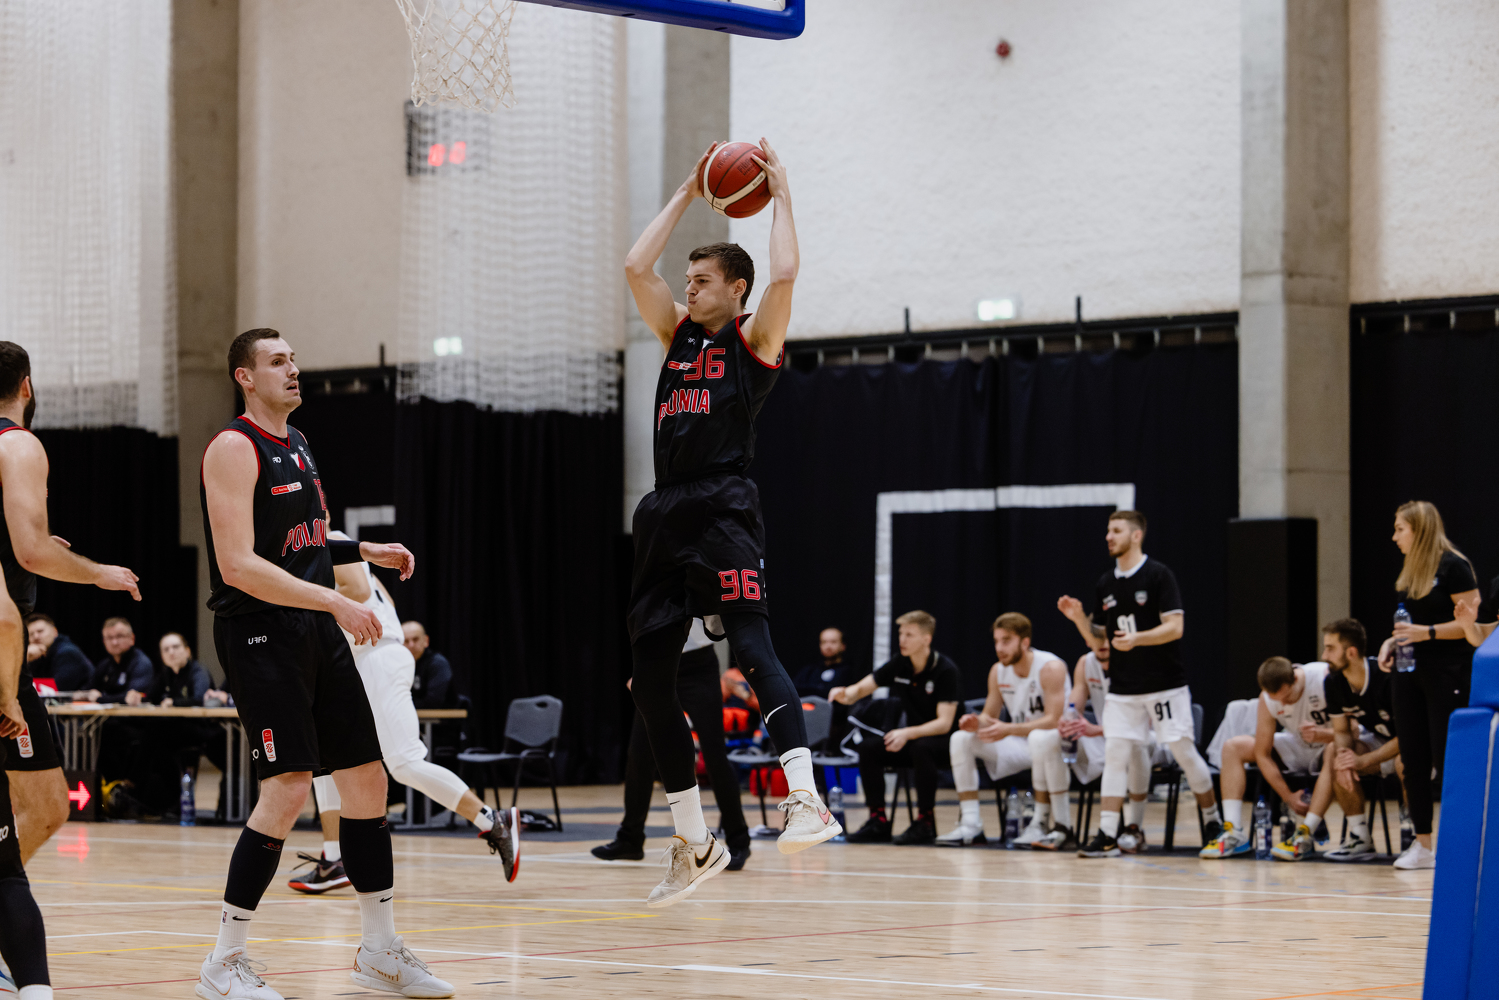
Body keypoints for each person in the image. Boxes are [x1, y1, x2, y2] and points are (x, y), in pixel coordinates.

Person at [197, 329, 468, 999]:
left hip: (314, 627)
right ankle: (223, 962)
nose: (293, 369)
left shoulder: (298, 442)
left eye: (293, 359)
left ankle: (379, 951)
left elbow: (309, 538)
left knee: (367, 780)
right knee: (289, 787)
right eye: (277, 362)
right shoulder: (233, 447)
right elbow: (238, 564)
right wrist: (334, 599)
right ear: (245, 377)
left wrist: (363, 551)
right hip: (259, 632)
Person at [622, 138, 838, 907]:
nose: (688, 288)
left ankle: (804, 797)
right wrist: (687, 190)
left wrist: (782, 196)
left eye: (703, 280)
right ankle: (693, 841)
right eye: (688, 280)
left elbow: (785, 273)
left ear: (734, 289)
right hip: (663, 510)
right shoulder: (676, 334)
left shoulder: (753, 340)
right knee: (648, 678)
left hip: (722, 504)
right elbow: (635, 267)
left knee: (748, 646)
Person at [0, 341, 142, 999]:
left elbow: (20, 547)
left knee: (47, 804)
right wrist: (98, 573)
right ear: (27, 386)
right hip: (1, 653)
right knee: (36, 817)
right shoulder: (19, 444)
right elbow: (29, 552)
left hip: (8, 647)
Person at [294, 534, 520, 897]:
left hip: (376, 657)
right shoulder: (327, 550)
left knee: (404, 763)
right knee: (327, 760)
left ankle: (493, 819)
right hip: (361, 660)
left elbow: (357, 591)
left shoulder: (331, 539)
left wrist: (308, 610)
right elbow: (382, 598)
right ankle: (334, 858)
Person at [1058, 510, 1221, 858]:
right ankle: (1107, 833)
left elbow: (1175, 628)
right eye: (1108, 530)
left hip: (1164, 684)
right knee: (1116, 754)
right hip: (1123, 687)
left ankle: (1213, 822)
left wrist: (1138, 639)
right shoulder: (1106, 583)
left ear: (1136, 535)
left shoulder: (1159, 575)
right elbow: (1098, 639)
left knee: (1183, 752)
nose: (1108, 536)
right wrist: (1078, 619)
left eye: (1116, 530)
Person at [593, 619, 751, 869]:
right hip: (657, 662)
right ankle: (630, 839)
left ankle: (739, 841)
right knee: (639, 755)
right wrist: (641, 669)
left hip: (698, 665)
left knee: (715, 756)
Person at [1375, 500, 1478, 871]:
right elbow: (1407, 626)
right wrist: (1391, 642)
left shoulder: (1454, 566)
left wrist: (1427, 633)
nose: (1394, 537)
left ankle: (1460, 841)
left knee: (1446, 759)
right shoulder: (1410, 571)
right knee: (1411, 760)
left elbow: (1473, 627)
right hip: (1408, 674)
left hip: (1446, 673)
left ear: (1418, 530)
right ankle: (1422, 845)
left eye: (1400, 529)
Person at [935, 612, 1067, 849]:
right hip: (1020, 743)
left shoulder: (1050, 667)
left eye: (1006, 641)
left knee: (1039, 738)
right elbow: (989, 716)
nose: (999, 648)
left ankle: (1039, 822)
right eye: (996, 641)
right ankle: (971, 823)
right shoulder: (998, 670)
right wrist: (976, 722)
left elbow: (1054, 720)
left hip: (1055, 745)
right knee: (961, 739)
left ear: (1024, 642)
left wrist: (1009, 729)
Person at [1273, 620, 1401, 862]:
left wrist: (1362, 760)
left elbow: (1409, 737)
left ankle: (1418, 838)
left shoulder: (1387, 677)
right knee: (1335, 752)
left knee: (1407, 762)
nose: (1324, 656)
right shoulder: (1333, 682)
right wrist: (1345, 757)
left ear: (1350, 652)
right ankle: (1359, 837)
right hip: (1378, 742)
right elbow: (1341, 731)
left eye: (1330, 648)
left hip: (1411, 746)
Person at [831, 610, 960, 845]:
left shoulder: (945, 670)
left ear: (926, 639)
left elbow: (944, 724)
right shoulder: (900, 663)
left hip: (945, 743)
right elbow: (863, 688)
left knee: (922, 747)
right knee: (869, 748)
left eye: (909, 635)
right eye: (901, 634)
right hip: (914, 739)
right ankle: (878, 820)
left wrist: (907, 733)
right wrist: (845, 693)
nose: (902, 640)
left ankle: (925, 822)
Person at [1200, 657, 1332, 858]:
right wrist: (1288, 797)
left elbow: (1353, 731)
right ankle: (1234, 833)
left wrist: (1323, 735)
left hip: (1330, 745)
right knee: (1233, 747)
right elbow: (1262, 754)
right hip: (1298, 744)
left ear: (1295, 680)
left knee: (1335, 749)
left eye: (1287, 697)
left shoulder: (1322, 677)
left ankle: (1306, 833)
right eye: (1277, 699)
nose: (1282, 703)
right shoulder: (1267, 699)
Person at [1056, 642, 1164, 854]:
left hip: (1152, 735)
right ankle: (1060, 826)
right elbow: (1074, 707)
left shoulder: (1138, 659)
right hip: (1108, 736)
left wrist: (1096, 730)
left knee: (1133, 744)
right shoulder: (1086, 663)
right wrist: (1067, 720)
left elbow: (1144, 722)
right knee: (1052, 738)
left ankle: (1134, 828)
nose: (1102, 643)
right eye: (1097, 637)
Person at [82, 617, 153, 703]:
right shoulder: (105, 664)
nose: (114, 642)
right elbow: (87, 690)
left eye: (119, 636)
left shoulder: (141, 663)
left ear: (132, 639)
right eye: (109, 637)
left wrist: (100, 698)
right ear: (104, 641)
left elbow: (131, 697)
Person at [23, 614, 91, 692]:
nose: (36, 637)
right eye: (31, 634)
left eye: (40, 631)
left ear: (55, 632)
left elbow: (53, 689)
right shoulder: (37, 656)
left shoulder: (67, 653)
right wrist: (26, 659)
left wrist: (24, 658)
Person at [402, 621, 455, 710]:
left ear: (426, 640)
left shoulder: (438, 663)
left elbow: (433, 701)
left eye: (415, 639)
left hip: (446, 717)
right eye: (406, 641)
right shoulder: (399, 666)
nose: (411, 645)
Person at [791, 628, 854, 699]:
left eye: (833, 642)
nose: (828, 646)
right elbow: (794, 689)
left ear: (843, 646)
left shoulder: (850, 672)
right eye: (824, 642)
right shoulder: (810, 670)